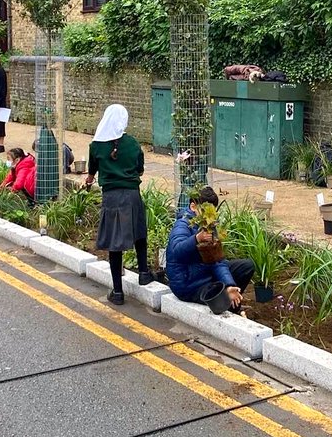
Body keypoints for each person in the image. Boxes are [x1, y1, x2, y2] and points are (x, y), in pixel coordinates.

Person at [84, 104, 153, 305]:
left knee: (115, 243)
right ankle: (143, 272)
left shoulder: (96, 145)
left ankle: (117, 291)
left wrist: (88, 181)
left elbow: (91, 173)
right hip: (132, 194)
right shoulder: (132, 143)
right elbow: (140, 170)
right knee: (139, 232)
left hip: (111, 197)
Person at [165, 187, 253, 312]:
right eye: (206, 211)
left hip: (205, 274)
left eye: (212, 211)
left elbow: (217, 260)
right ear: (193, 206)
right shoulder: (182, 224)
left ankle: (232, 302)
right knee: (218, 298)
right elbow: (176, 251)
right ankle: (230, 307)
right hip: (188, 284)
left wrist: (229, 284)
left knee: (246, 266)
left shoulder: (209, 226)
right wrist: (196, 239)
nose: (209, 215)